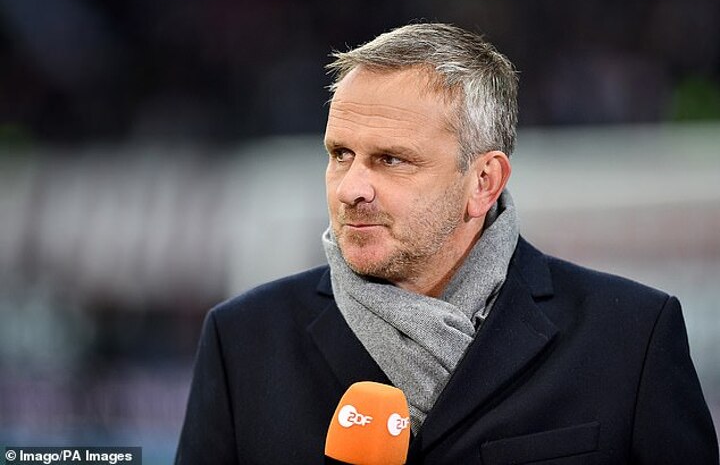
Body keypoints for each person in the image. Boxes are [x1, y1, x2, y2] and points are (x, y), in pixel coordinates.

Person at [175, 23, 718, 464]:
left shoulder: (630, 339)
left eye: (391, 159)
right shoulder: (242, 341)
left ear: (483, 182)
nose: (351, 188)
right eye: (341, 154)